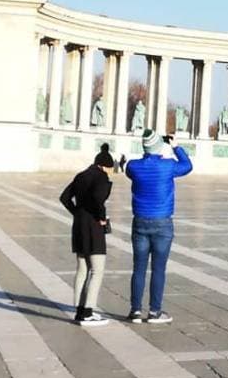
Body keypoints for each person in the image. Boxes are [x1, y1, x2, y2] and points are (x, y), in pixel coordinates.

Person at [125, 130, 192, 323]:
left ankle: (135, 310)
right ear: (158, 146)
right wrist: (176, 146)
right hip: (162, 222)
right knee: (158, 269)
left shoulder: (134, 166)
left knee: (138, 268)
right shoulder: (168, 166)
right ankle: (155, 311)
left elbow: (129, 169)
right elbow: (187, 166)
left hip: (140, 221)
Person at [59, 148, 115, 325]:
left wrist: (76, 212)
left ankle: (79, 310)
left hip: (79, 225)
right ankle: (89, 310)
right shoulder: (101, 177)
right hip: (93, 226)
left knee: (82, 268)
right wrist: (102, 218)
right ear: (104, 166)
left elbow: (65, 197)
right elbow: (98, 199)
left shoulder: (81, 175)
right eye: (111, 168)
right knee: (97, 270)